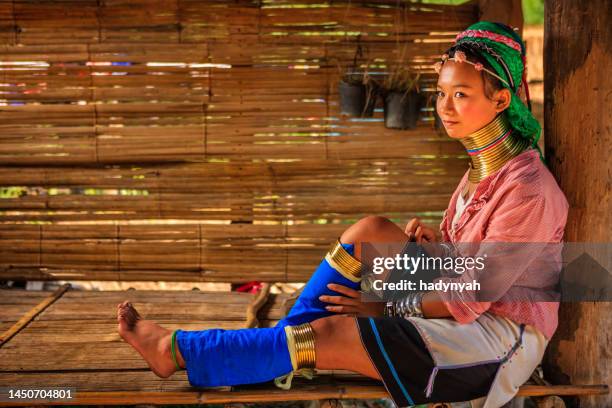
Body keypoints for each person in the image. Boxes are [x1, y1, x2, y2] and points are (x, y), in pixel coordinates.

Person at [116, 22, 568, 407]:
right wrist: (439, 247)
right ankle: (275, 354)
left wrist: (386, 305)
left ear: (502, 100)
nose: (444, 107)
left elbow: (468, 298)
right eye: (441, 93)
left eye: (461, 94)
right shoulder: (480, 172)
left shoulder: (529, 189)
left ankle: (178, 351)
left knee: (330, 335)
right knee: (371, 231)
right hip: (463, 305)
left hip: (497, 339)